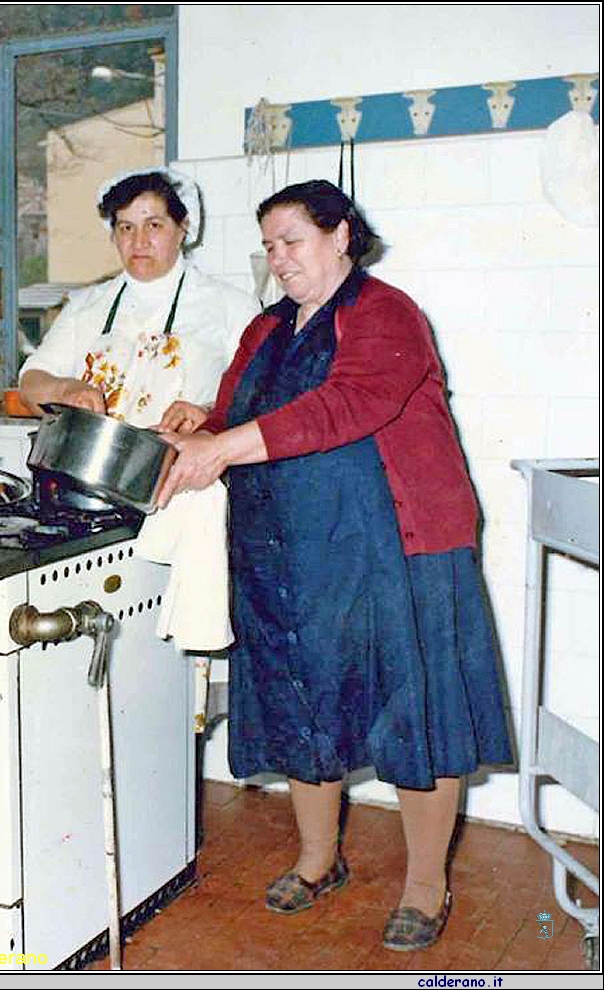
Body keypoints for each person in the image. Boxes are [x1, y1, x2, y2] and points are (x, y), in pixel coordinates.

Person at [160, 180, 514, 951]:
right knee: (302, 698)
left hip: (398, 546)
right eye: (269, 246)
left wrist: (223, 447)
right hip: (292, 549)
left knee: (415, 712)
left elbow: (342, 406)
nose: (277, 259)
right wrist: (207, 421)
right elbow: (242, 409)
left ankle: (427, 885)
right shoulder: (266, 329)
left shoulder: (387, 314)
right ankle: (319, 860)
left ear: (341, 235)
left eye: (292, 241)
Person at [18, 167, 258, 432]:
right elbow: (31, 382)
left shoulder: (232, 307)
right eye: (126, 227)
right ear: (113, 234)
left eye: (153, 225)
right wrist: (66, 391)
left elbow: (258, 401)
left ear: (183, 228)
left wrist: (207, 415)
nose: (139, 241)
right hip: (92, 467)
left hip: (186, 469)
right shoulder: (85, 306)